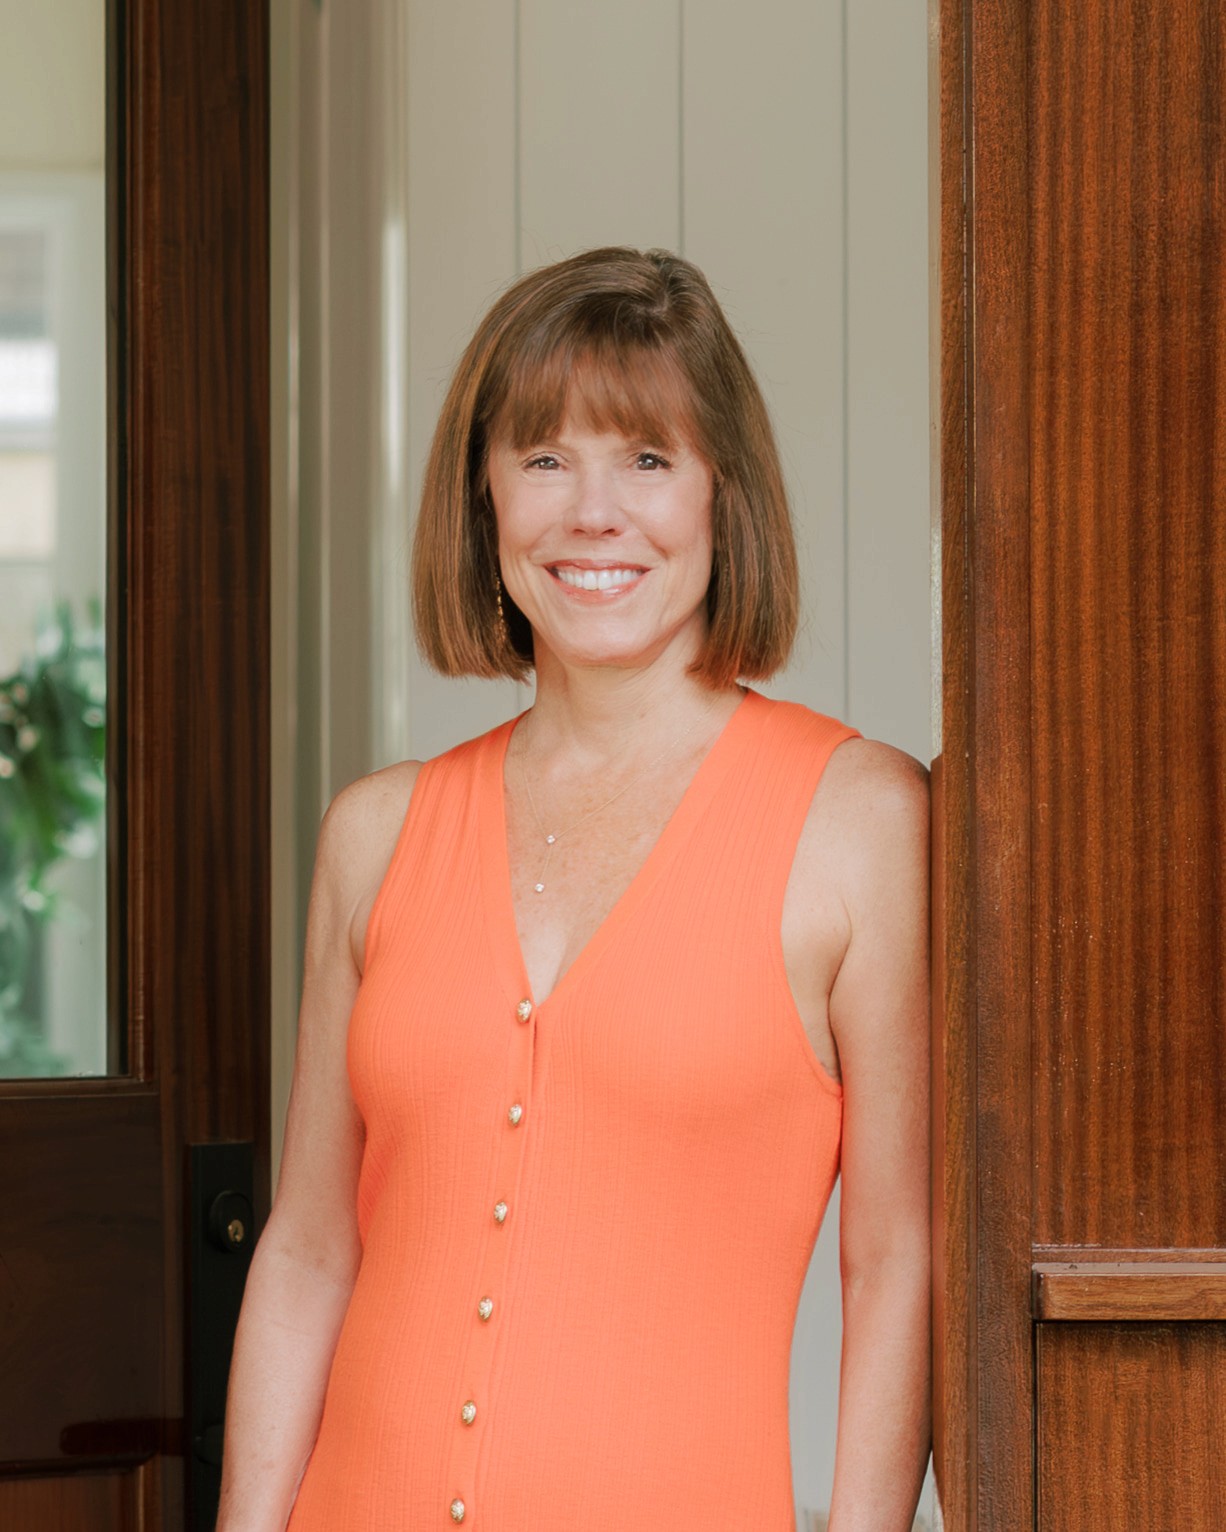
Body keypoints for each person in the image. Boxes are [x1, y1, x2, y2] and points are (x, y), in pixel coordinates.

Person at [217, 246, 930, 1531]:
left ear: (724, 493)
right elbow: (310, 1249)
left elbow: (894, 1264)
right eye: (543, 457)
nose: (592, 512)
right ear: (483, 496)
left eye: (647, 459)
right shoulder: (373, 833)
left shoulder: (860, 822)